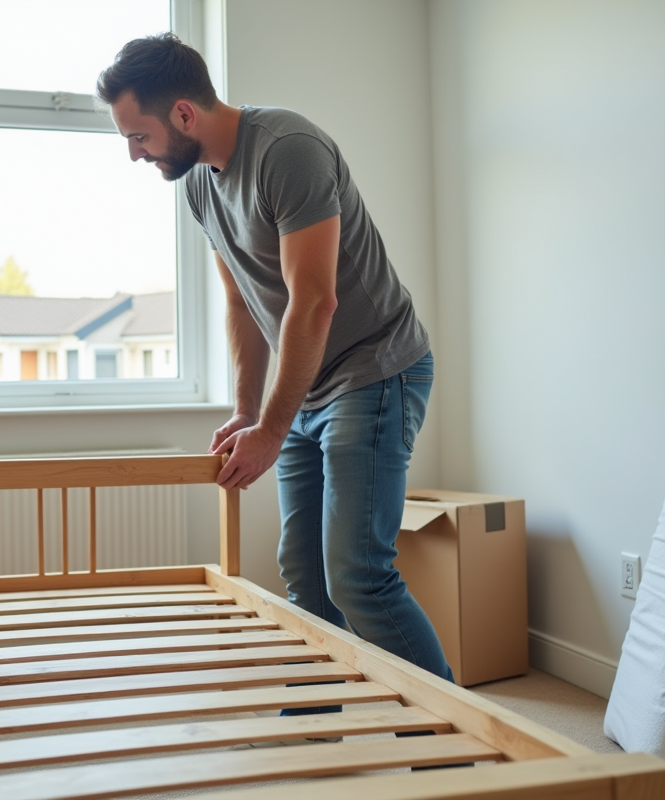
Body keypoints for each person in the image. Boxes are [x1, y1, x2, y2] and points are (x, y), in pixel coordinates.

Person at [97, 34, 454, 694]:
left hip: (373, 370)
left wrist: (270, 428)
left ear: (182, 114)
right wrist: (245, 410)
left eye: (138, 136)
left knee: (357, 575)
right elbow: (242, 301)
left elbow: (314, 301)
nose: (134, 154)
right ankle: (315, 734)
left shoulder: (287, 151)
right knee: (305, 576)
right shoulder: (199, 186)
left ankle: (466, 754)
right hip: (309, 387)